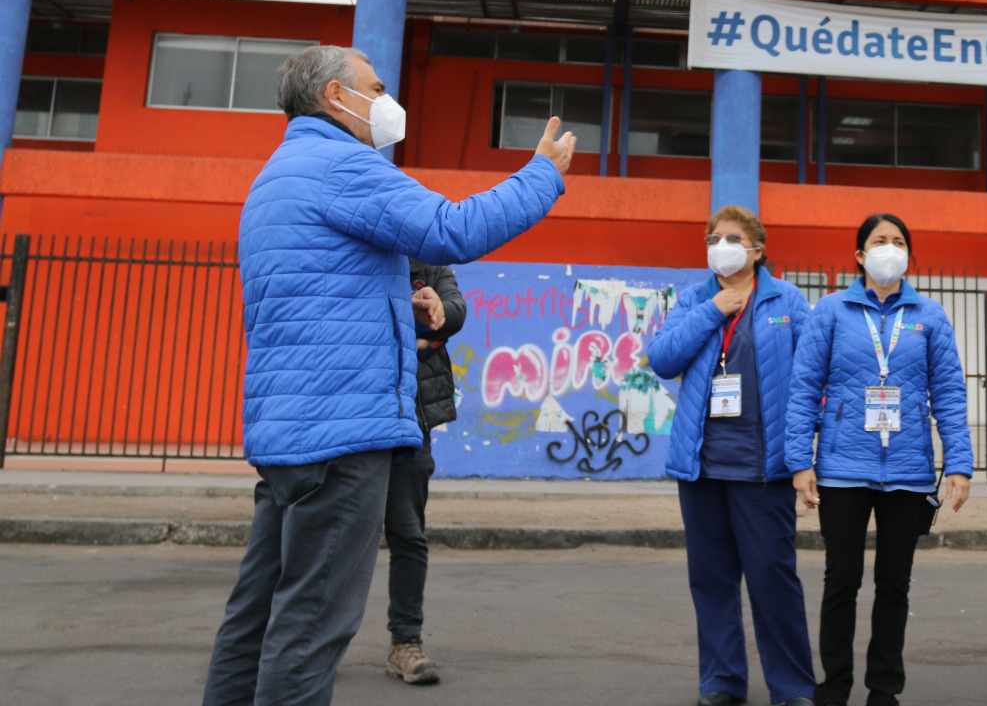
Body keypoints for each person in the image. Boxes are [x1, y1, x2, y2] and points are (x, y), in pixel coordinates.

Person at [202, 44, 574, 706]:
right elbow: (451, 229)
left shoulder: (278, 173)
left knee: (253, 619)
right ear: (334, 98)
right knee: (311, 626)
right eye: (374, 87)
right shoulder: (341, 164)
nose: (386, 100)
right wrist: (540, 174)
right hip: (341, 441)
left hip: (291, 435)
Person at [786, 212, 974, 706]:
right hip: (843, 468)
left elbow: (950, 394)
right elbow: (803, 388)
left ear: (910, 256)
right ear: (859, 256)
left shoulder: (929, 315)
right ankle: (835, 685)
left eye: (897, 241)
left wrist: (958, 463)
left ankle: (884, 688)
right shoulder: (829, 311)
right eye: (879, 240)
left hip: (909, 471)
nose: (888, 248)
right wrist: (799, 462)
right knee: (840, 581)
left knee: (894, 585)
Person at [647, 205, 817, 706]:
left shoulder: (788, 301)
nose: (721, 244)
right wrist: (713, 309)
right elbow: (662, 358)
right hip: (701, 467)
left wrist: (809, 455)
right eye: (713, 237)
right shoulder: (694, 299)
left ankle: (792, 687)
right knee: (712, 580)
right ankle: (721, 681)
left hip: (763, 468)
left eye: (732, 237)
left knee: (773, 580)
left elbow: (812, 379)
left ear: (757, 249)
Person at [381, 259, 466, 685]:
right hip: (349, 414)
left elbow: (454, 311)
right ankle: (308, 643)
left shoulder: (428, 258)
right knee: (330, 535)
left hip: (408, 417)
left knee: (408, 533)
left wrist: (436, 313)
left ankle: (405, 642)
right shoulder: (349, 244)